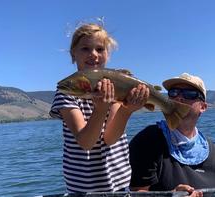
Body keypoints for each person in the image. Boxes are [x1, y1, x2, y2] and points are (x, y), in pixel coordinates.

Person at [50, 23, 149, 193]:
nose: (93, 54)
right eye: (85, 48)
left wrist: (126, 110)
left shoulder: (114, 86)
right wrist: (101, 109)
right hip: (82, 189)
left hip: (120, 185)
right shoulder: (66, 93)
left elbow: (110, 138)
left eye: (100, 49)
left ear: (107, 55)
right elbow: (86, 142)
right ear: (73, 53)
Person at [129, 73, 215, 197]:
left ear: (203, 107)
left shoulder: (212, 150)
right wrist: (169, 195)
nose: (179, 98)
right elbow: (136, 193)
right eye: (173, 93)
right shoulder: (147, 141)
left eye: (189, 94)